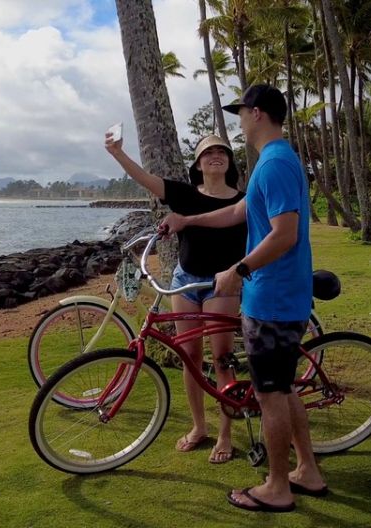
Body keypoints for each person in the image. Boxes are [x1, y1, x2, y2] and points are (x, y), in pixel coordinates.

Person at [161, 84, 326, 513]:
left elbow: (284, 234)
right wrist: (188, 220)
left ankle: (277, 486)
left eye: (241, 114)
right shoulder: (271, 162)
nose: (238, 122)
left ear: (255, 113)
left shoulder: (274, 165)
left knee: (270, 394)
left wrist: (239, 270)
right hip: (272, 295)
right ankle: (306, 469)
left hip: (272, 298)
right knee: (284, 388)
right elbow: (238, 212)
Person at [105, 131, 244, 464]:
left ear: (229, 162)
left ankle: (226, 434)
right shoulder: (184, 194)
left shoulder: (243, 199)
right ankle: (200, 427)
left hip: (221, 284)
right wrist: (116, 153)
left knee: (222, 356)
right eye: (207, 152)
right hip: (185, 280)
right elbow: (145, 179)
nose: (215, 155)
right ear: (197, 164)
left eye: (222, 152)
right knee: (189, 356)